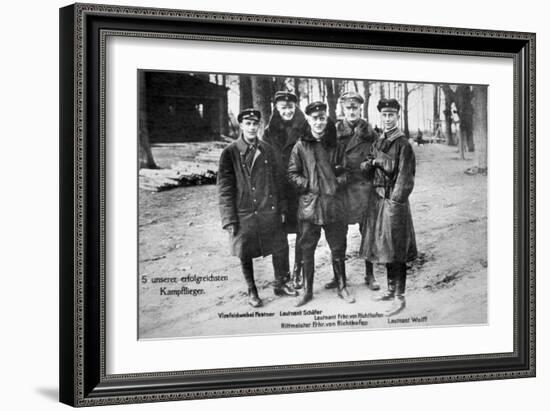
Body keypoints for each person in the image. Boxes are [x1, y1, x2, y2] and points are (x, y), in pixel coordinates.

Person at [217, 108, 298, 308]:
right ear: (241, 125)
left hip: (268, 209)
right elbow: (225, 188)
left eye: (255, 124)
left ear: (259, 126)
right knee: (245, 251)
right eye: (248, 124)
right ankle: (252, 289)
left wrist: (282, 209)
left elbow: (279, 181)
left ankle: (281, 282)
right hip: (244, 212)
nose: (252, 128)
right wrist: (229, 218)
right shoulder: (230, 152)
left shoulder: (268, 149)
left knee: (280, 246)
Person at [288, 101, 354, 307]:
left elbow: (347, 171)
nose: (319, 122)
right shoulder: (300, 146)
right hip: (310, 207)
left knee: (338, 248)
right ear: (308, 120)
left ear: (327, 119)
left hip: (334, 205)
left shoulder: (336, 144)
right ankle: (307, 291)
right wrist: (307, 184)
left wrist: (335, 183)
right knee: (307, 249)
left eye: (322, 118)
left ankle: (342, 286)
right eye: (314, 118)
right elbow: (291, 173)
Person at [360, 98, 417, 316]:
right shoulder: (379, 141)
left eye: (391, 115)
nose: (387, 119)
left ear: (397, 116)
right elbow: (364, 166)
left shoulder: (403, 144)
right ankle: (390, 290)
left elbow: (405, 178)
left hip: (394, 203)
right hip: (377, 201)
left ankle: (400, 297)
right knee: (385, 248)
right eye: (384, 115)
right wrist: (373, 163)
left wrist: (395, 201)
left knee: (397, 251)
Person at [325, 91, 380, 291]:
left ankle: (370, 274)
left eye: (355, 107)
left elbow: (379, 159)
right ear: (342, 108)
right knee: (337, 235)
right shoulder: (333, 130)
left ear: (360, 109)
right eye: (348, 107)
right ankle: (338, 276)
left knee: (367, 233)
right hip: (340, 190)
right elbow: (326, 158)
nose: (352, 111)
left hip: (364, 189)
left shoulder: (370, 132)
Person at [263, 91, 307, 289]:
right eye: (283, 108)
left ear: (295, 107)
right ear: (276, 109)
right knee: (277, 235)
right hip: (278, 190)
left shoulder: (305, 127)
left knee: (302, 231)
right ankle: (281, 276)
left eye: (290, 107)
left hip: (299, 189)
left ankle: (299, 271)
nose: (287, 111)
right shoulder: (268, 131)